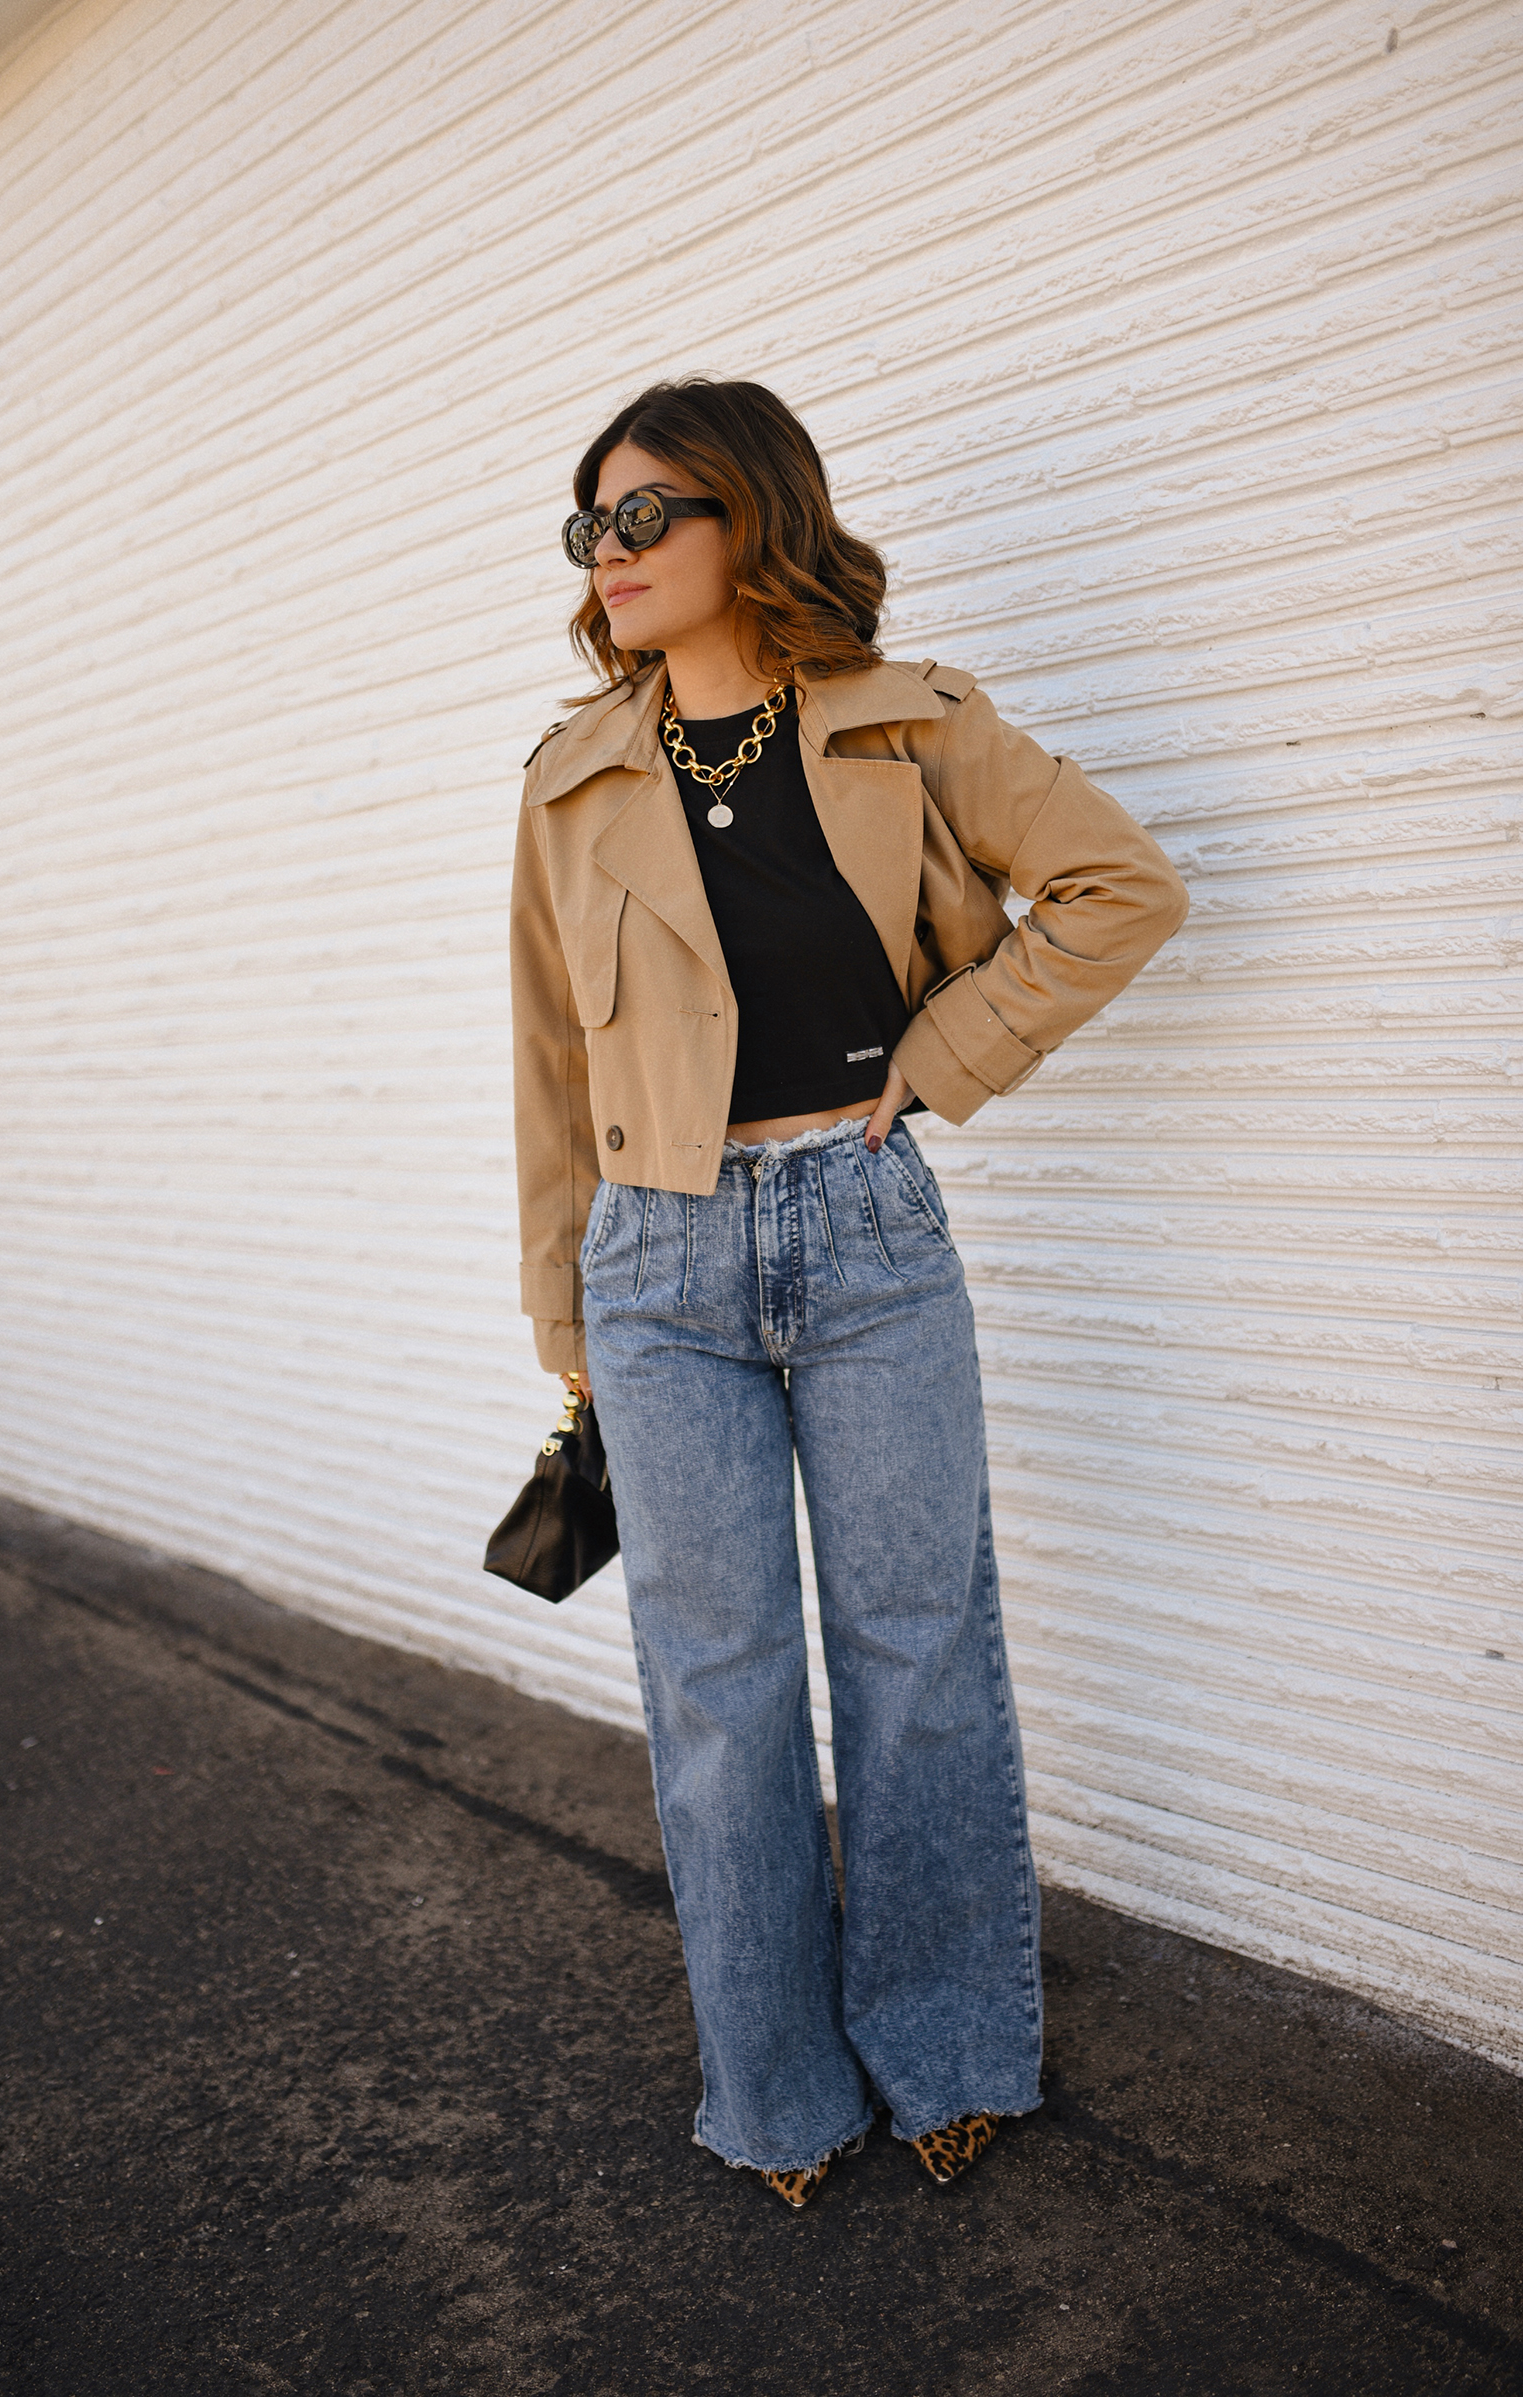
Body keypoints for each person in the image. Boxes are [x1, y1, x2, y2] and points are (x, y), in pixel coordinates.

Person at [509, 378, 1188, 2208]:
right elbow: (550, 1075)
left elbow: (1118, 885)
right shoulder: (572, 783)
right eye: (592, 526)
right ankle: (779, 2090)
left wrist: (948, 1052)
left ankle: (949, 2045)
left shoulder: (910, 726)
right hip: (654, 1261)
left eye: (648, 513)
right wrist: (565, 1320)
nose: (613, 554)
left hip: (868, 1230)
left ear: (750, 515)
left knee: (921, 1662)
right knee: (720, 1693)